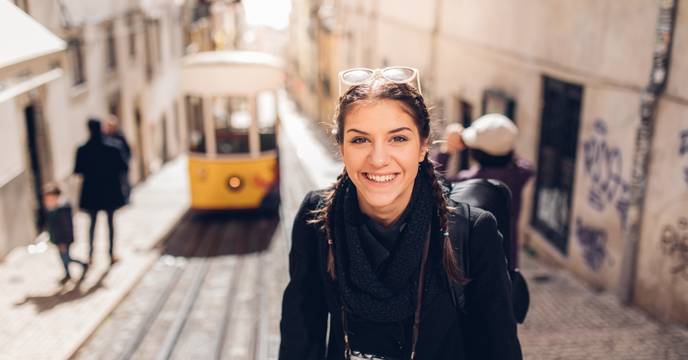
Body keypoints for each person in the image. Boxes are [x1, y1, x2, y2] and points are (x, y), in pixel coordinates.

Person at [279, 67, 521, 359]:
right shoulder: (317, 218)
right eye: (360, 139)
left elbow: (499, 349)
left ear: (422, 147)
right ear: (341, 149)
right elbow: (300, 338)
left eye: (398, 139)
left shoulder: (472, 231)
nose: (379, 159)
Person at [433, 113, 534, 270]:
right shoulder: (519, 175)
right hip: (508, 260)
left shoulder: (467, 181)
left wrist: (447, 150)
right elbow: (525, 164)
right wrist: (502, 145)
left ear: (475, 152)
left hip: (476, 263)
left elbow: (433, 182)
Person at [74, 118, 128, 264]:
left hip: (92, 192)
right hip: (110, 190)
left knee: (92, 224)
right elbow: (123, 167)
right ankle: (111, 254)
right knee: (110, 223)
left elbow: (78, 170)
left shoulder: (83, 149)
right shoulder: (114, 147)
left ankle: (91, 255)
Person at [43, 182, 88, 284]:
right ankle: (67, 274)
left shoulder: (62, 210)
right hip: (57, 239)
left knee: (67, 258)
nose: (47, 201)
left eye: (49, 199)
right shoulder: (51, 209)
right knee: (62, 258)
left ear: (56, 197)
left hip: (64, 239)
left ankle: (83, 264)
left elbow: (65, 227)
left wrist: (63, 241)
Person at [103, 115, 132, 203]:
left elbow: (127, 149)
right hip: (113, 166)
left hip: (122, 162)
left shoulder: (120, 136)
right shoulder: (106, 137)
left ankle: (127, 197)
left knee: (125, 180)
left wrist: (126, 160)